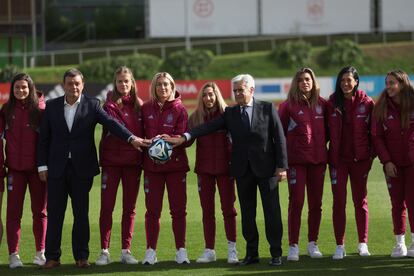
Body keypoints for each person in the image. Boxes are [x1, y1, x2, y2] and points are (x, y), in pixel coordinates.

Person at [165, 74, 287, 266]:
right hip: (242, 171)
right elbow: (207, 126)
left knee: (272, 212)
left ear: (251, 90)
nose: (238, 93)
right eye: (235, 90)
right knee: (248, 214)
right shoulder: (230, 113)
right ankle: (251, 254)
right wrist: (185, 136)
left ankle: (276, 253)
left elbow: (279, 139)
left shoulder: (267, 108)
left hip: (267, 170)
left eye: (241, 90)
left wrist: (282, 166)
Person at [37, 68, 147, 269]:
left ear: (83, 85)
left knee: (81, 214)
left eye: (77, 83)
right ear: (64, 85)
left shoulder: (93, 105)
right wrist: (42, 166)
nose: (74, 87)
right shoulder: (52, 107)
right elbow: (43, 140)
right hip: (56, 169)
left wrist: (131, 138)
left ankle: (81, 257)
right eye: (70, 83)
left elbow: (112, 123)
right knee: (55, 214)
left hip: (82, 170)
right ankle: (52, 257)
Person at [95, 66, 144, 265]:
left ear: (132, 82)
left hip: (133, 164)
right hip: (112, 163)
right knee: (107, 207)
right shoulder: (108, 106)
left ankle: (126, 250)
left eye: (126, 81)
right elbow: (116, 130)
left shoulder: (140, 105)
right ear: (114, 84)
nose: (123, 84)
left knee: (129, 209)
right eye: (119, 81)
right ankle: (104, 251)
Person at [278, 67, 328, 262]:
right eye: (301, 80)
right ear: (296, 84)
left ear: (313, 82)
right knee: (296, 203)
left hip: (318, 162)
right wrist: (281, 164)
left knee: (316, 204)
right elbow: (279, 135)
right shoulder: (287, 106)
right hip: (296, 162)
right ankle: (293, 245)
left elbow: (329, 132)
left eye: (308, 79)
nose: (305, 82)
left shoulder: (323, 105)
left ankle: (312, 243)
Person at [140, 72, 190, 265]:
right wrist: (149, 143)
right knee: (152, 211)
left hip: (176, 167)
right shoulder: (145, 108)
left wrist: (171, 142)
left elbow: (185, 141)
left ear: (172, 86)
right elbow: (139, 135)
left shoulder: (180, 109)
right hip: (152, 169)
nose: (163, 88)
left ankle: (181, 251)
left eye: (166, 84)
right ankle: (151, 251)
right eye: (159, 84)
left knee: (178, 210)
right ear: (154, 86)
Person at [0, 73, 47, 268]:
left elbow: (47, 141)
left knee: (40, 212)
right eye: (17, 87)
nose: (21, 91)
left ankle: (40, 253)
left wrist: (44, 166)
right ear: (12, 89)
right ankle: (14, 255)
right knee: (13, 214)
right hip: (15, 171)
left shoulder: (41, 109)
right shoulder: (6, 109)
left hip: (37, 171)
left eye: (24, 87)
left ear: (31, 88)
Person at [327, 66, 374, 259]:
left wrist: (369, 156)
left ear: (356, 81)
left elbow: (375, 133)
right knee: (338, 202)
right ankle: (340, 245)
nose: (346, 83)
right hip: (338, 161)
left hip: (360, 161)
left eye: (349, 80)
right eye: (343, 80)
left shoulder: (367, 103)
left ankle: (362, 243)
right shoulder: (331, 103)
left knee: (360, 201)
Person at [188, 82, 238, 264]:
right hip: (204, 171)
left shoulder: (228, 115)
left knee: (229, 210)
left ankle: (232, 248)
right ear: (201, 98)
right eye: (205, 95)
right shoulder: (195, 117)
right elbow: (186, 141)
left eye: (212, 94)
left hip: (226, 170)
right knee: (207, 211)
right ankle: (210, 250)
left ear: (217, 95)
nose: (209, 98)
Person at [372, 69, 414, 258]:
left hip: (413, 164)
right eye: (387, 83)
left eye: (392, 83)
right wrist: (387, 161)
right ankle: (400, 244)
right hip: (392, 165)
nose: (388, 87)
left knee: (413, 202)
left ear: (402, 84)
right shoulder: (381, 107)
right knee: (397, 204)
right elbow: (377, 137)